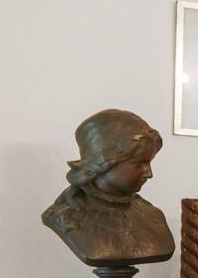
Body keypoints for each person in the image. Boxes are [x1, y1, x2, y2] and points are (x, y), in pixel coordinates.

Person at [41, 109, 175, 268]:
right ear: (105, 162)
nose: (149, 173)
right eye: (140, 163)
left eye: (149, 163)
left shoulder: (153, 216)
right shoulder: (64, 215)